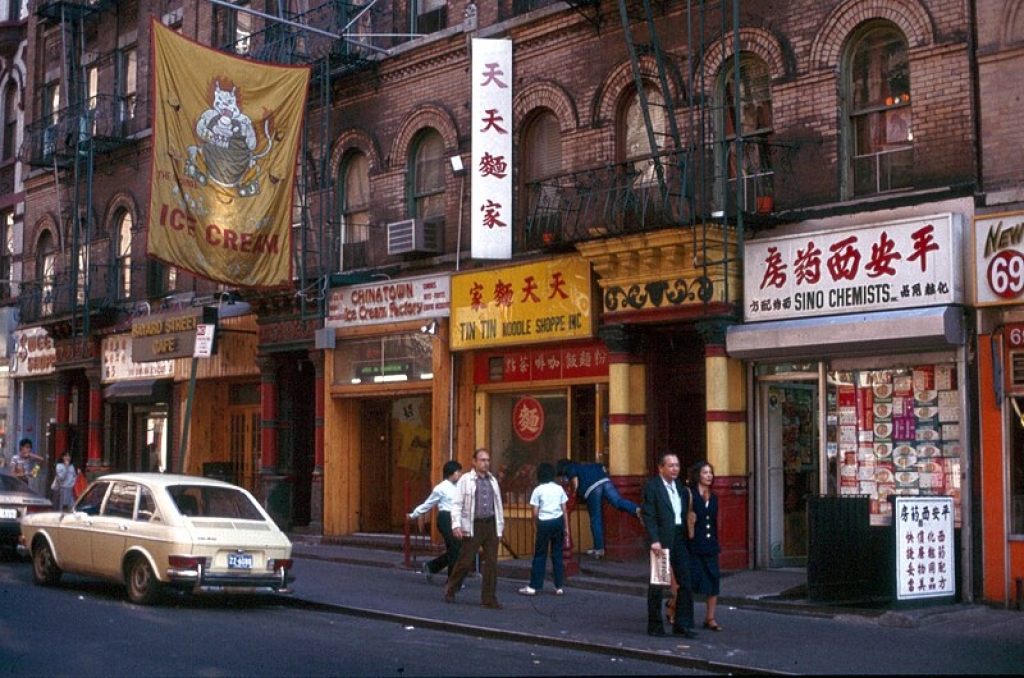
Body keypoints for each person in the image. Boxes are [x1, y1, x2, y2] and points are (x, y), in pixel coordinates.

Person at [641, 451, 696, 638]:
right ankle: (655, 626)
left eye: (677, 466)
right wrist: (654, 539)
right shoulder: (653, 487)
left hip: (679, 538)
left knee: (686, 581)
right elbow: (649, 514)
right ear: (661, 468)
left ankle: (683, 624)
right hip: (661, 540)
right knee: (658, 584)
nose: (675, 469)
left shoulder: (679, 486)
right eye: (671, 465)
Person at [444, 448, 505, 609]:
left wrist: (500, 529)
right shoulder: (466, 480)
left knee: (491, 563)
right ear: (474, 462)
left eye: (488, 460)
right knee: (465, 561)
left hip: (490, 524)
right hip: (473, 524)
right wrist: (456, 524)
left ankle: (489, 598)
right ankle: (451, 588)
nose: (486, 463)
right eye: (482, 460)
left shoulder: (492, 480)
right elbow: (456, 503)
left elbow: (498, 505)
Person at [556, 458, 640, 559]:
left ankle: (599, 548)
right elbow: (603, 468)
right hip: (605, 480)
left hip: (591, 489)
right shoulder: (588, 465)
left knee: (596, 519)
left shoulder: (569, 468)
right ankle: (636, 509)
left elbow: (575, 481)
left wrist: (574, 493)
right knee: (617, 501)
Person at [408, 460, 463, 583]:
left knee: (454, 550)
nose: (460, 475)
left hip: (456, 519)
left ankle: (432, 567)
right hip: (445, 518)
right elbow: (428, 503)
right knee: (456, 548)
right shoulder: (441, 488)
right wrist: (414, 514)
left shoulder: (459, 487)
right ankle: (452, 580)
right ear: (451, 473)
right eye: (458, 472)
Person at [519, 462, 569, 596]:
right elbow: (564, 509)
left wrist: (536, 525)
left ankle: (534, 586)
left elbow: (535, 512)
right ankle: (559, 586)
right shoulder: (559, 489)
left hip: (544, 523)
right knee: (557, 554)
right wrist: (566, 528)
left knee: (540, 554)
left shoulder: (538, 490)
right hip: (558, 522)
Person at [688, 460, 723, 631]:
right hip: (694, 545)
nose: (709, 476)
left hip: (710, 545)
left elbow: (715, 522)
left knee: (713, 580)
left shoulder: (714, 497)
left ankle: (710, 618)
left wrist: (716, 542)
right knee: (691, 581)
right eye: (705, 472)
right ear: (697, 475)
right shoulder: (689, 495)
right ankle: (675, 607)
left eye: (711, 473)